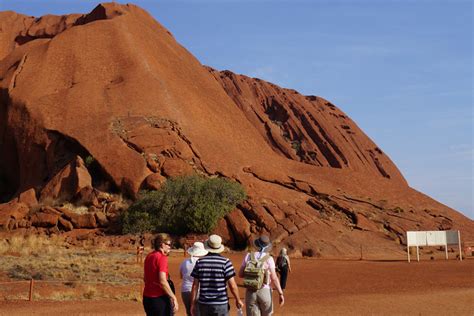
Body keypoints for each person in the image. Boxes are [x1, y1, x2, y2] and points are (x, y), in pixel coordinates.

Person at [190, 234, 244, 316]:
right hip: (221, 303)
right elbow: (232, 285)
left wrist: (193, 304)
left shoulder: (199, 262)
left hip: (204, 303)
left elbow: (195, 286)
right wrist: (238, 299)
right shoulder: (226, 262)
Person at [238, 235, 284, 316]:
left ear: (257, 245)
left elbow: (240, 274)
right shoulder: (269, 258)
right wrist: (280, 293)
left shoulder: (248, 256)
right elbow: (274, 278)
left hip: (251, 292)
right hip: (265, 291)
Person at [143, 233, 179, 316]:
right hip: (159, 298)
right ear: (162, 244)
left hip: (147, 298)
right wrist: (173, 297)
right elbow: (162, 281)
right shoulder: (161, 257)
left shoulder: (149, 256)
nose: (170, 247)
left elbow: (145, 278)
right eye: (169, 244)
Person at [180, 241, 208, 316]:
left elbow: (181, 276)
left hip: (185, 291)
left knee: (189, 313)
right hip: (198, 291)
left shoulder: (184, 262)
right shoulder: (203, 263)